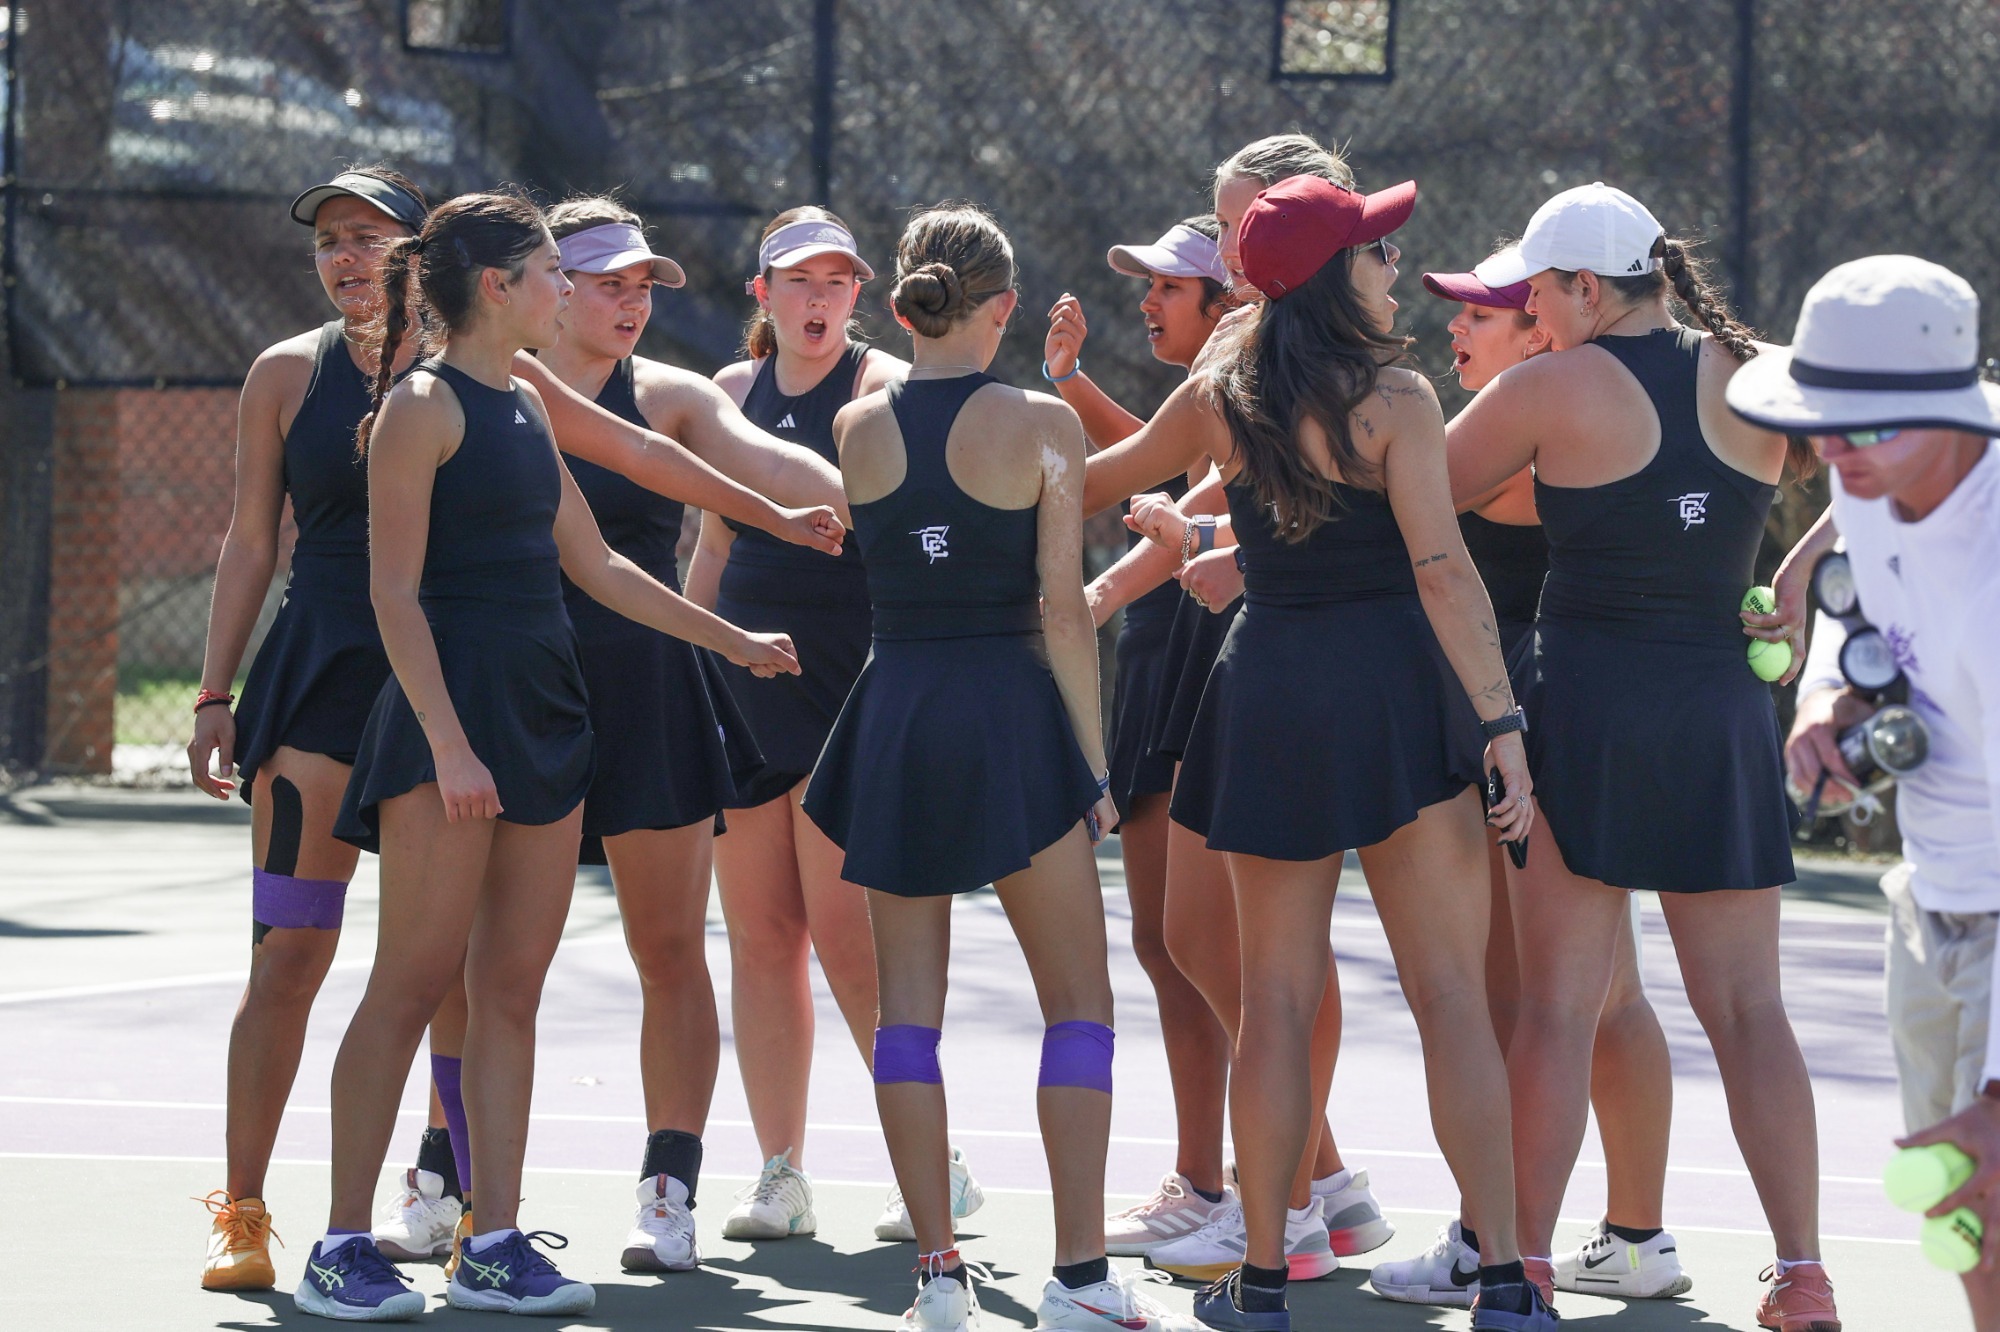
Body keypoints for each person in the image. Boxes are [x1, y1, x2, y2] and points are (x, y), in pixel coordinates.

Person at [293, 191, 800, 1321]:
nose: (563, 290)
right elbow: (391, 592)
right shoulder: (419, 408)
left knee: (508, 995)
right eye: (546, 274)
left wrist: (736, 643)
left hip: (543, 719)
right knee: (413, 984)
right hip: (450, 730)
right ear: (497, 287)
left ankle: (494, 1240)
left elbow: (601, 568)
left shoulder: (523, 396)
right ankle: (337, 1245)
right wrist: (446, 744)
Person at [1445, 181, 1835, 1330]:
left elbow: (1407, 502)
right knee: (1749, 1011)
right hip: (1717, 717)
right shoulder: (1757, 371)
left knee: (1555, 1014)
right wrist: (1802, 567)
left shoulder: (1542, 386)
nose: (1528, 310)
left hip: (1583, 715)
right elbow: (1907, 445)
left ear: (1579, 289)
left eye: (1536, 292)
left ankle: (1517, 1281)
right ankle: (1802, 1274)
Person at [803, 202, 1192, 1332]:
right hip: (1010, 716)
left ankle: (936, 1276)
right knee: (1077, 1004)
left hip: (898, 716)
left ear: (900, 304)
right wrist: (1092, 767)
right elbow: (1063, 616)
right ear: (1006, 307)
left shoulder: (854, 428)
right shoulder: (1038, 423)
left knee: (905, 1017)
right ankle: (1077, 1280)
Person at [1082, 135, 1395, 1280]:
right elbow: (1176, 479)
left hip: (1264, 646)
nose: (1220, 244)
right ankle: (1302, 1183)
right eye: (1216, 227)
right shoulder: (1242, 348)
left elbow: (1212, 486)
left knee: (1242, 952)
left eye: (1229, 226)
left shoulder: (1304, 359)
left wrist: (1161, 561)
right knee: (1185, 940)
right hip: (1208, 635)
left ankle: (1304, 1187)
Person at [1367, 254, 1687, 1307]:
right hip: (1546, 693)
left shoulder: (1521, 437)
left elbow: (1385, 523)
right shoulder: (1569, 422)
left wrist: (1222, 539)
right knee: (1607, 991)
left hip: (1520, 704)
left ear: (1540, 333)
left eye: (1481, 313)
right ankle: (1633, 1240)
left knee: (1520, 992)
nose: (1453, 328)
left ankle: (1490, 1243)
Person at [183, 168, 471, 1293]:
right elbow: (252, 541)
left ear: (420, 251)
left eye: (371, 238)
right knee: (288, 956)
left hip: (445, 691)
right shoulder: (283, 374)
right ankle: (243, 1212)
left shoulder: (476, 370)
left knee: (441, 965)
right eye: (331, 243)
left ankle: (461, 1209)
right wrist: (213, 695)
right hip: (318, 688)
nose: (349, 259)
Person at [697, 207, 986, 1244]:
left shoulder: (880, 393)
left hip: (848, 694)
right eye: (797, 282)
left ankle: (933, 1165)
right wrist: (701, 652)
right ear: (761, 295)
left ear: (857, 298)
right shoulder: (728, 396)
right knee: (762, 939)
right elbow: (713, 553)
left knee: (845, 939)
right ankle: (780, 1171)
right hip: (743, 688)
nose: (817, 301)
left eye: (835, 284)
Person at [1730, 254, 2000, 1332]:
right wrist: (1828, 699)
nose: (1830, 450)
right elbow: (1862, 609)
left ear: (1951, 412)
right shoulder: (1872, 477)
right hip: (1929, 897)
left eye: (1859, 426)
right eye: (1820, 422)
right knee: (1959, 1214)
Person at [521, 194, 771, 1273]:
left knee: (667, 947)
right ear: (546, 284)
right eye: (607, 283)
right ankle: (449, 1178)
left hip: (645, 685)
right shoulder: (475, 394)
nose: (631, 304)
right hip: (514, 684)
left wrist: (860, 484)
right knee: (485, 963)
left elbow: (764, 463)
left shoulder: (669, 398)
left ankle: (668, 1192)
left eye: (643, 286)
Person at [1039, 216, 1238, 1257]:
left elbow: (1174, 501)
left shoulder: (1254, 380)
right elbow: (1160, 463)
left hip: (1208, 662)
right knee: (1168, 947)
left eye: (1168, 285)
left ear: (1225, 297)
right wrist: (1069, 388)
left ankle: (1281, 1180)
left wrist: (1086, 600)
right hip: (1165, 661)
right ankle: (1228, 1178)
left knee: (1203, 951)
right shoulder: (1214, 390)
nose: (1146, 299)